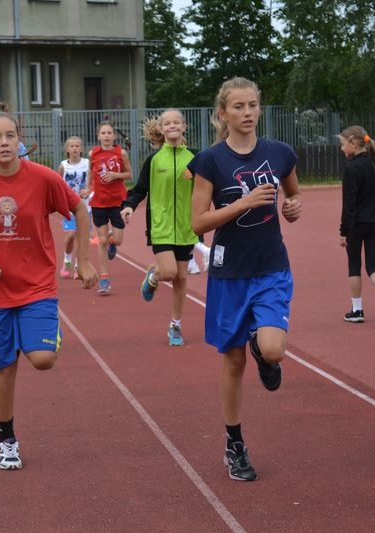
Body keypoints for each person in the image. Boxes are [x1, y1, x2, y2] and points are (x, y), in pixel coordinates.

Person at [0, 111, 98, 470]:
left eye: (10, 136)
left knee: (43, 359)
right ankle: (7, 440)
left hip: (37, 286)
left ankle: (31, 336)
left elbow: (79, 210)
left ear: (19, 140)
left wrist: (83, 260)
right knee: (4, 367)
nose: (4, 143)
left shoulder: (43, 178)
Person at [189, 77, 302, 482]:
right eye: (238, 106)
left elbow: (293, 194)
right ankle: (234, 444)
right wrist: (243, 203)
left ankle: (262, 350)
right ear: (223, 113)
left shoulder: (279, 153)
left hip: (271, 267)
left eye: (253, 104)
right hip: (229, 272)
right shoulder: (210, 161)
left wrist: (293, 207)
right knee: (233, 360)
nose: (248, 112)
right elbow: (198, 223)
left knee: (272, 350)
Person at [121, 110, 196, 346]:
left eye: (176, 122)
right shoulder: (154, 160)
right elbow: (140, 189)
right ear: (162, 129)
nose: (172, 126)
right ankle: (154, 276)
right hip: (160, 225)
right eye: (167, 123)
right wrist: (129, 206)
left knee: (181, 278)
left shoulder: (196, 158)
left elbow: (208, 186)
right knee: (170, 272)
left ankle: (175, 325)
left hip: (186, 226)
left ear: (184, 126)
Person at [338, 126, 375, 326]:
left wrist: (344, 231)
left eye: (343, 144)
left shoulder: (351, 168)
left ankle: (357, 310)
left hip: (356, 225)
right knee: (373, 266)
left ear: (353, 142)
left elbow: (349, 204)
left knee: (354, 266)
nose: (342, 148)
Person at [87, 121, 132, 294]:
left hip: (117, 202)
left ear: (114, 136)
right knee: (102, 241)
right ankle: (104, 278)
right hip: (99, 202)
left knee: (117, 240)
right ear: (98, 136)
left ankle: (113, 243)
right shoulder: (93, 153)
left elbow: (130, 175)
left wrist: (115, 175)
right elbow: (90, 172)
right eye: (103, 133)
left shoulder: (121, 153)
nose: (106, 136)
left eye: (109, 133)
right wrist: (88, 188)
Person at [56, 136, 90, 279]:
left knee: (81, 238)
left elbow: (92, 182)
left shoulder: (87, 164)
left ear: (81, 149)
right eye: (72, 146)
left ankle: (78, 265)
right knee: (70, 235)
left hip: (85, 207)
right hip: (69, 207)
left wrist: (88, 190)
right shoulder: (63, 166)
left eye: (77, 146)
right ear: (67, 149)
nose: (75, 148)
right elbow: (57, 184)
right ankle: (67, 260)